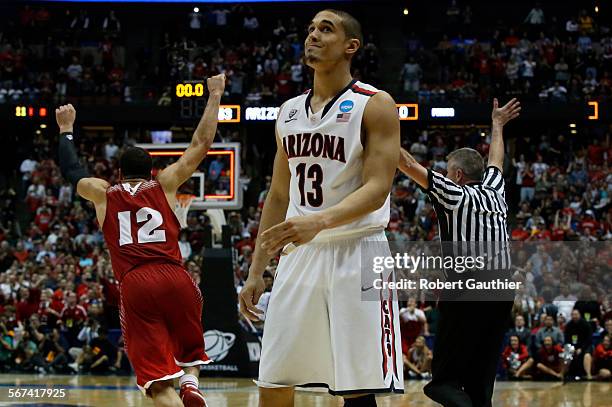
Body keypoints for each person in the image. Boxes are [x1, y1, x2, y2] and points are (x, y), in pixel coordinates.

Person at [239, 9, 403, 407]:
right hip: (300, 254)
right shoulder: (288, 112)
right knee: (275, 375)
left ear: (351, 46)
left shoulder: (376, 104)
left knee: (357, 385)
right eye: (311, 29)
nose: (313, 35)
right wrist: (257, 269)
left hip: (358, 251)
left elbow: (379, 187)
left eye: (325, 29)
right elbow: (278, 196)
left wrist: (320, 221)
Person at [55, 73, 225, 407]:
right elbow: (200, 145)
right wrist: (215, 94)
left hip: (135, 282)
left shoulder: (103, 192)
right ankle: (191, 382)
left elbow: (71, 170)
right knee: (192, 350)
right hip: (175, 275)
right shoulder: (164, 184)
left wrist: (65, 130)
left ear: (118, 173)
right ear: (151, 171)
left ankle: (179, 392)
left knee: (156, 381)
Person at [398, 98, 521, 407]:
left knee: (442, 381)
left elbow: (409, 165)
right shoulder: (495, 188)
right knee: (481, 378)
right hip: (503, 288)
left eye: (448, 170)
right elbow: (496, 160)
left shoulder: (454, 194)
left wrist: (380, 131)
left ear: (457, 175)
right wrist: (497, 125)